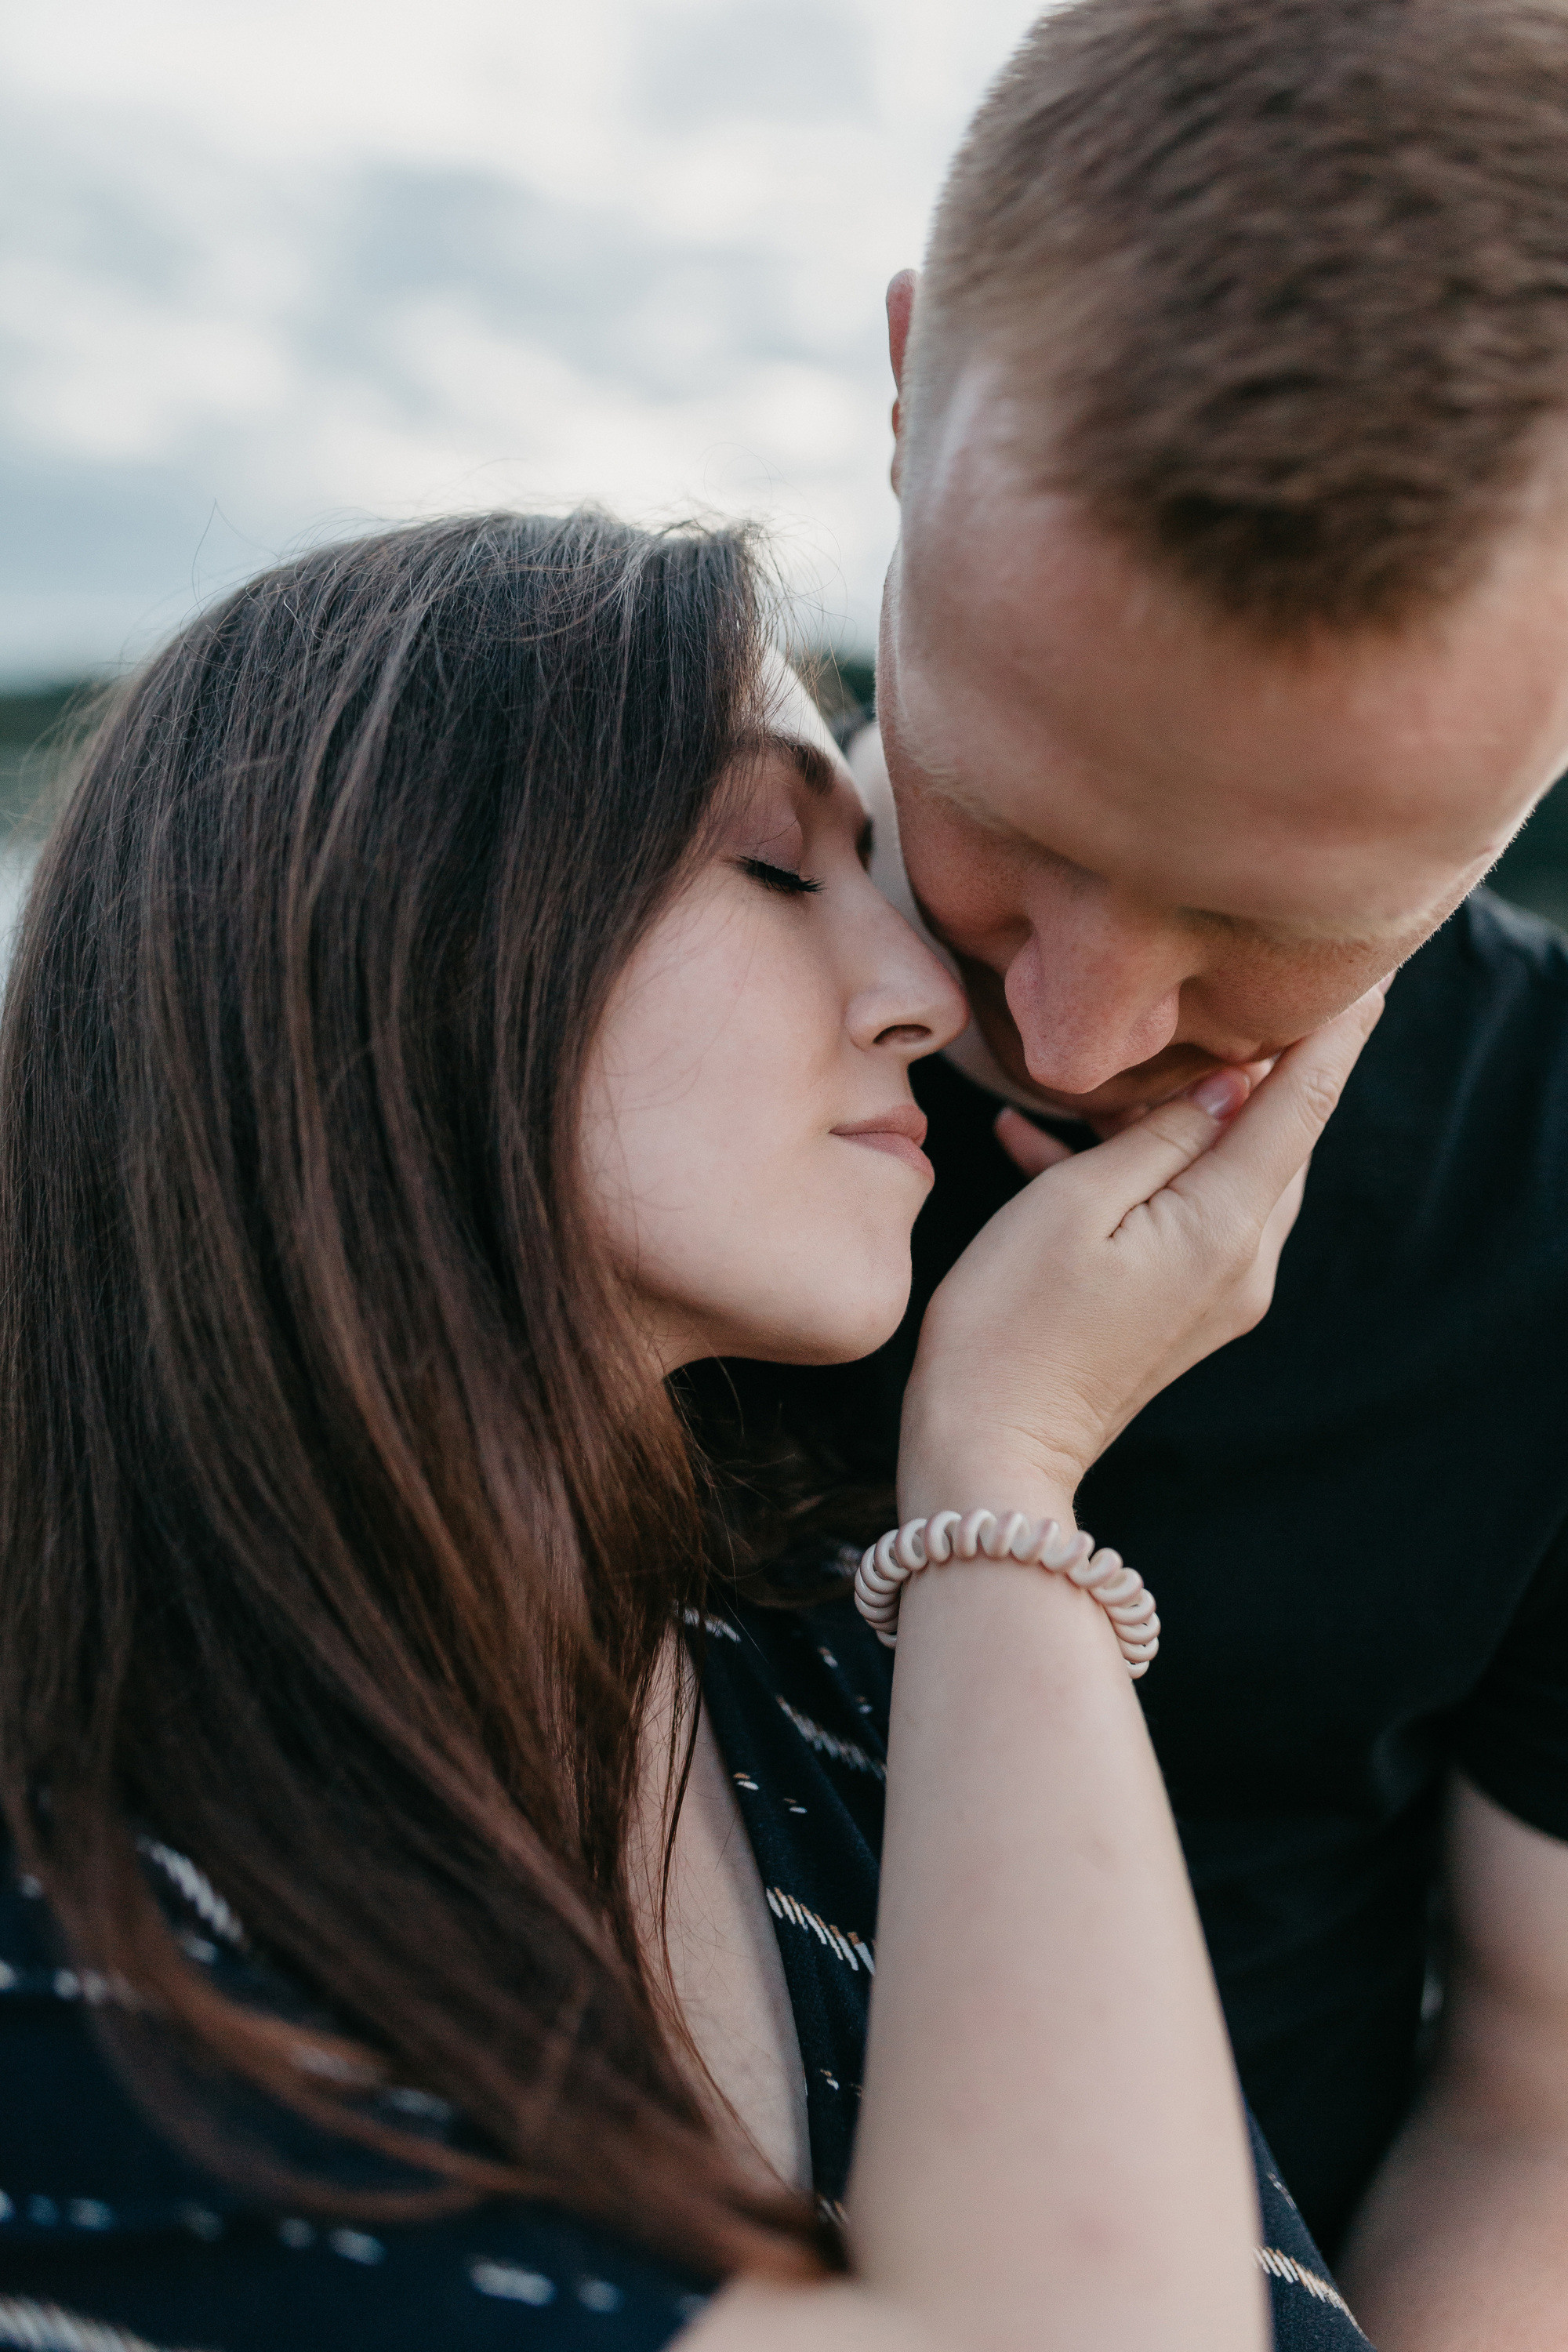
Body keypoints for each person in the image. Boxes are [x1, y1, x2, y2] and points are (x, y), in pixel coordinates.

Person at [0, 508, 1379, 2350]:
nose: (919, 992)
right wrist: (1003, 1468)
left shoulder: (819, 1699)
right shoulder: (65, 1864)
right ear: (381, 927)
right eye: (772, 866)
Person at [847, 4, 1568, 2346]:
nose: (1063, 1036)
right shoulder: (493, 956)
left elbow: (1540, 2099)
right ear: (904, 381)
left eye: (1269, 936)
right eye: (1000, 831)